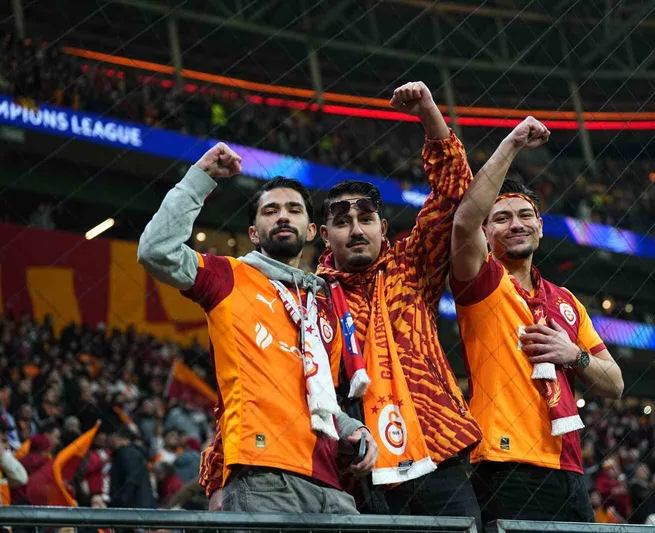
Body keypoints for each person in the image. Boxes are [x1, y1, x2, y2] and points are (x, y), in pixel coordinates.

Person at [199, 81, 483, 525]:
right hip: (361, 470)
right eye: (342, 221)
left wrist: (429, 114)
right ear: (323, 234)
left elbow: (453, 194)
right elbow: (266, 379)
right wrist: (218, 474)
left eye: (365, 218)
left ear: (383, 228)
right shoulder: (308, 298)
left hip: (439, 455)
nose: (355, 229)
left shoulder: (414, 267)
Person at [138, 142, 377, 514]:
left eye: (293, 210)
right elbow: (157, 251)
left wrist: (352, 429)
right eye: (270, 210)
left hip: (331, 484)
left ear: (311, 231)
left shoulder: (324, 306)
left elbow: (320, 399)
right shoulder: (227, 277)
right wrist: (200, 178)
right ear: (253, 232)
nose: (282, 217)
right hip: (263, 475)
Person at [449, 116, 624, 523]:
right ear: (486, 233)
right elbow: (463, 221)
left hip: (569, 469)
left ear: (540, 228)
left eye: (525, 215)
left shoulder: (566, 301)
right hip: (504, 464)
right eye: (501, 218)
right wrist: (511, 143)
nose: (516, 224)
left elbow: (615, 383)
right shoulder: (482, 283)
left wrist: (574, 355)